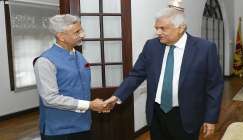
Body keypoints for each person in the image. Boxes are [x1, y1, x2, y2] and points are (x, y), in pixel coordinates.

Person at [104, 7, 224, 140]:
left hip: (186, 116)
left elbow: (215, 86)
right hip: (156, 115)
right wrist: (116, 97)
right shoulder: (151, 46)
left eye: (163, 28)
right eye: (156, 28)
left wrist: (211, 118)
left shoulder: (205, 49)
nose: (158, 32)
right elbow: (136, 75)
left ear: (181, 28)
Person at [34, 14, 105, 140]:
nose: (83, 35)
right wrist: (89, 105)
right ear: (61, 36)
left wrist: (95, 105)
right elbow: (50, 99)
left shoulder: (80, 56)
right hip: (58, 131)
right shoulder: (45, 61)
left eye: (81, 30)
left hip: (83, 126)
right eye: (77, 32)